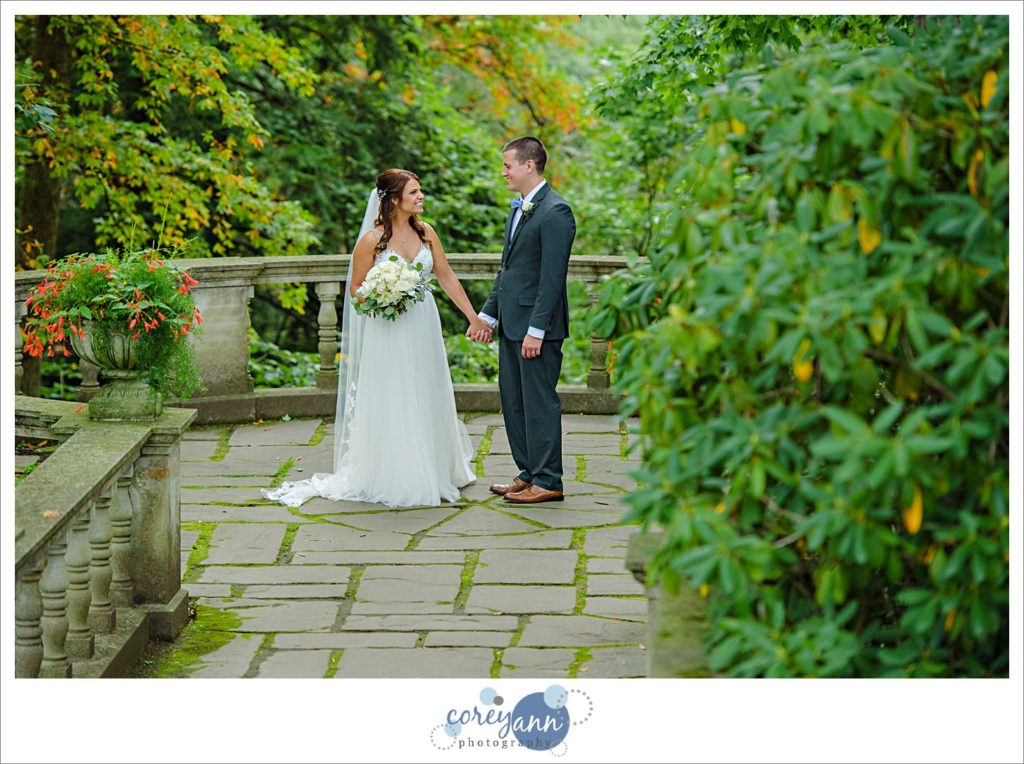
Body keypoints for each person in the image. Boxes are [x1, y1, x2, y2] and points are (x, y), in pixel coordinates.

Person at [264, 169, 493, 509]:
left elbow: (445, 276)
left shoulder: (427, 232)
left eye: (420, 191)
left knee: (425, 388)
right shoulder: (371, 240)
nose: (421, 196)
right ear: (395, 199)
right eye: (414, 192)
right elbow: (356, 288)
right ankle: (397, 473)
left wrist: (473, 317)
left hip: (423, 323)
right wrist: (384, 295)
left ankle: (434, 466)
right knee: (394, 392)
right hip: (388, 328)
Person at [469, 136, 576, 504]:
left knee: (538, 403)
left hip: (536, 329)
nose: (504, 173)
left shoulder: (556, 211)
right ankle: (529, 473)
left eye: (507, 166)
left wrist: (537, 330)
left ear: (529, 165)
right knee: (514, 401)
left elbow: (552, 278)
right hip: (512, 323)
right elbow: (509, 270)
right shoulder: (519, 208)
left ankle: (548, 480)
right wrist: (487, 315)